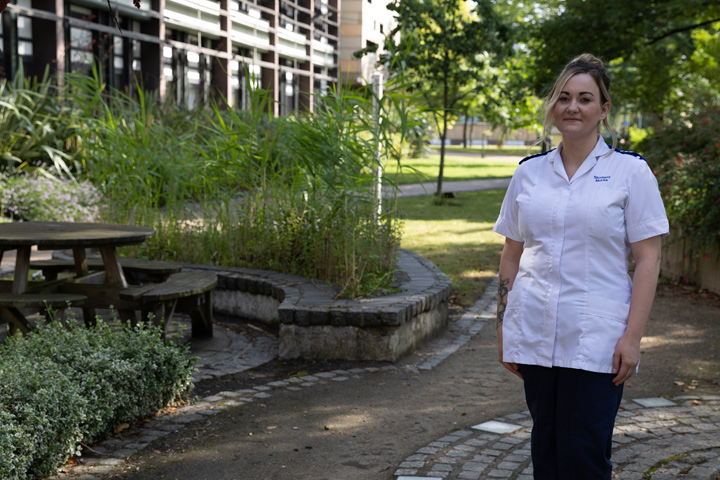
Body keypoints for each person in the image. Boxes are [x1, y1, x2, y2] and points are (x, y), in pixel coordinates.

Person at [492, 53, 669, 479]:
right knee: (547, 454)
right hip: (534, 333)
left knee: (585, 459)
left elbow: (648, 258)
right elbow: (511, 255)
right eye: (564, 97)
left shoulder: (631, 172)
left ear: (603, 109)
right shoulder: (529, 174)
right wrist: (502, 328)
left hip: (597, 343)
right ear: (553, 106)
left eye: (585, 98)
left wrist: (633, 337)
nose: (573, 107)